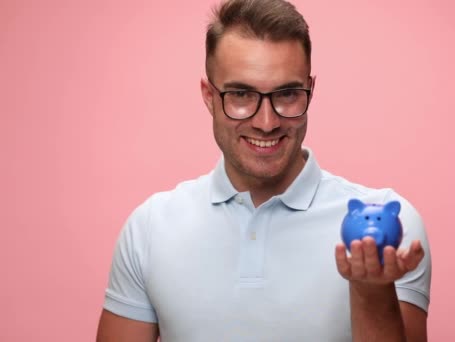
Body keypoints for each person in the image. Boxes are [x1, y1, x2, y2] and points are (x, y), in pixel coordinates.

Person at [96, 0, 431, 341]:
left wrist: (369, 289)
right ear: (209, 96)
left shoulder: (388, 223)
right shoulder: (149, 228)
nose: (266, 122)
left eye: (287, 94)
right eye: (241, 94)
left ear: (310, 92)